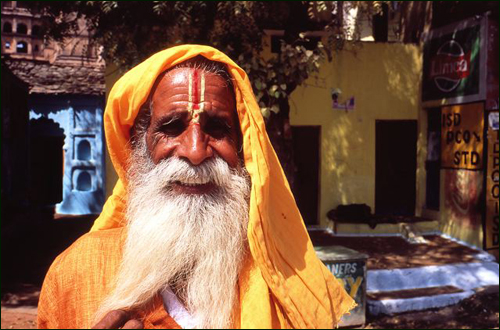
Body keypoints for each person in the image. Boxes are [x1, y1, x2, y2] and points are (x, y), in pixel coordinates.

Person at [37, 45, 355, 329]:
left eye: (217, 129)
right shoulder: (76, 274)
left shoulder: (293, 288)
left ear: (244, 151)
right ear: (137, 145)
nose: (195, 151)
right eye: (172, 127)